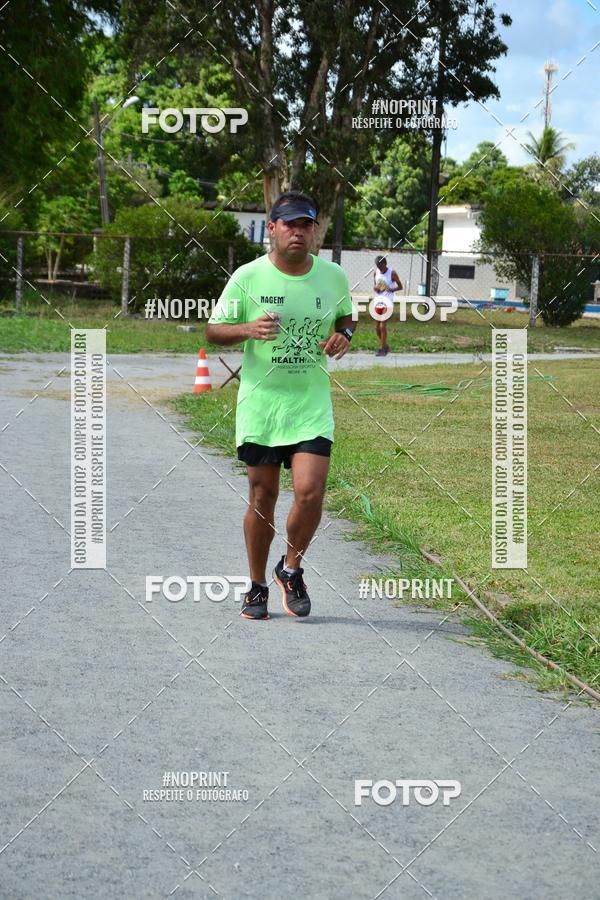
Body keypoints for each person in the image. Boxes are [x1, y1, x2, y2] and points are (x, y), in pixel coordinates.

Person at [205, 190, 356, 620]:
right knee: (263, 496)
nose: (298, 231)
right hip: (263, 405)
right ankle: (256, 586)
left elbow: (346, 317)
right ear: (271, 228)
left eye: (306, 224)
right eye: (289, 223)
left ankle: (291, 569)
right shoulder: (248, 277)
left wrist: (346, 335)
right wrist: (247, 329)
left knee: (309, 493)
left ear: (315, 231)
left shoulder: (333, 277)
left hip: (310, 403)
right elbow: (214, 331)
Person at [373, 255, 402, 356]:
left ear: (385, 264)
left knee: (382, 326)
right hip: (378, 301)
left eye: (381, 266)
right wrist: (376, 288)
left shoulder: (392, 273)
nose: (380, 268)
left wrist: (391, 289)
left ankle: (382, 349)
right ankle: (385, 346)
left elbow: (400, 286)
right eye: (378, 266)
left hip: (388, 301)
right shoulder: (375, 272)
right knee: (376, 327)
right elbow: (376, 285)